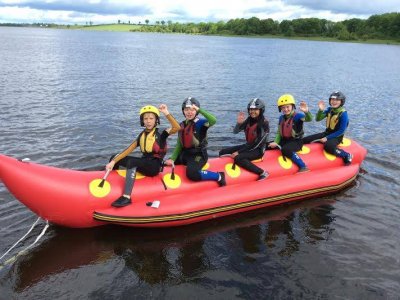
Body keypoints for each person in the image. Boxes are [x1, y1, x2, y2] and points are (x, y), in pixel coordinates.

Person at [106, 104, 180, 207]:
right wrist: (113, 161)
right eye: (145, 118)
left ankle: (126, 197)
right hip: (144, 162)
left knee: (132, 162)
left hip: (154, 166)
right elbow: (128, 150)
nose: (148, 121)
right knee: (115, 157)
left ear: (156, 120)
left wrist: (166, 113)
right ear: (142, 120)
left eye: (151, 118)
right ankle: (111, 182)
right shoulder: (142, 135)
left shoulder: (161, 133)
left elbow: (177, 127)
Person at [164, 97, 226, 186]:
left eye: (192, 110)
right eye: (186, 110)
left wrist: (199, 110)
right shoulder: (182, 124)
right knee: (166, 164)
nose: (189, 112)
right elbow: (179, 144)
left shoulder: (201, 123)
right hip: (185, 154)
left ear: (196, 111)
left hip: (198, 155)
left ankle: (218, 176)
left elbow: (213, 120)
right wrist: (172, 159)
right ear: (183, 111)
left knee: (192, 174)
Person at [219, 98, 270, 180]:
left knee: (238, 158)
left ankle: (263, 172)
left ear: (261, 110)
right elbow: (235, 132)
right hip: (248, 146)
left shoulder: (264, 123)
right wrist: (238, 123)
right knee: (222, 152)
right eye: (251, 109)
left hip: (258, 150)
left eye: (255, 109)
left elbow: (257, 143)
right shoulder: (249, 120)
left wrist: (239, 152)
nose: (252, 111)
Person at [303, 91, 353, 165]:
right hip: (326, 133)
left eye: (337, 100)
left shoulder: (343, 114)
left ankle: (346, 155)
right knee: (306, 139)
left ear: (341, 101)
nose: (334, 102)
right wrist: (320, 110)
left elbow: (341, 131)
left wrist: (327, 138)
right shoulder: (330, 110)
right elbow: (318, 119)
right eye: (332, 100)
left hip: (337, 137)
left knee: (328, 146)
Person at [268, 94, 313, 172]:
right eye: (283, 107)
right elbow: (279, 132)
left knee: (285, 150)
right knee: (267, 145)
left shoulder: (298, 116)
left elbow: (309, 119)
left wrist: (306, 112)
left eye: (287, 107)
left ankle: (303, 166)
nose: (285, 109)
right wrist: (275, 142)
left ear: (292, 106)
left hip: (296, 142)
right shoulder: (281, 118)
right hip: (284, 140)